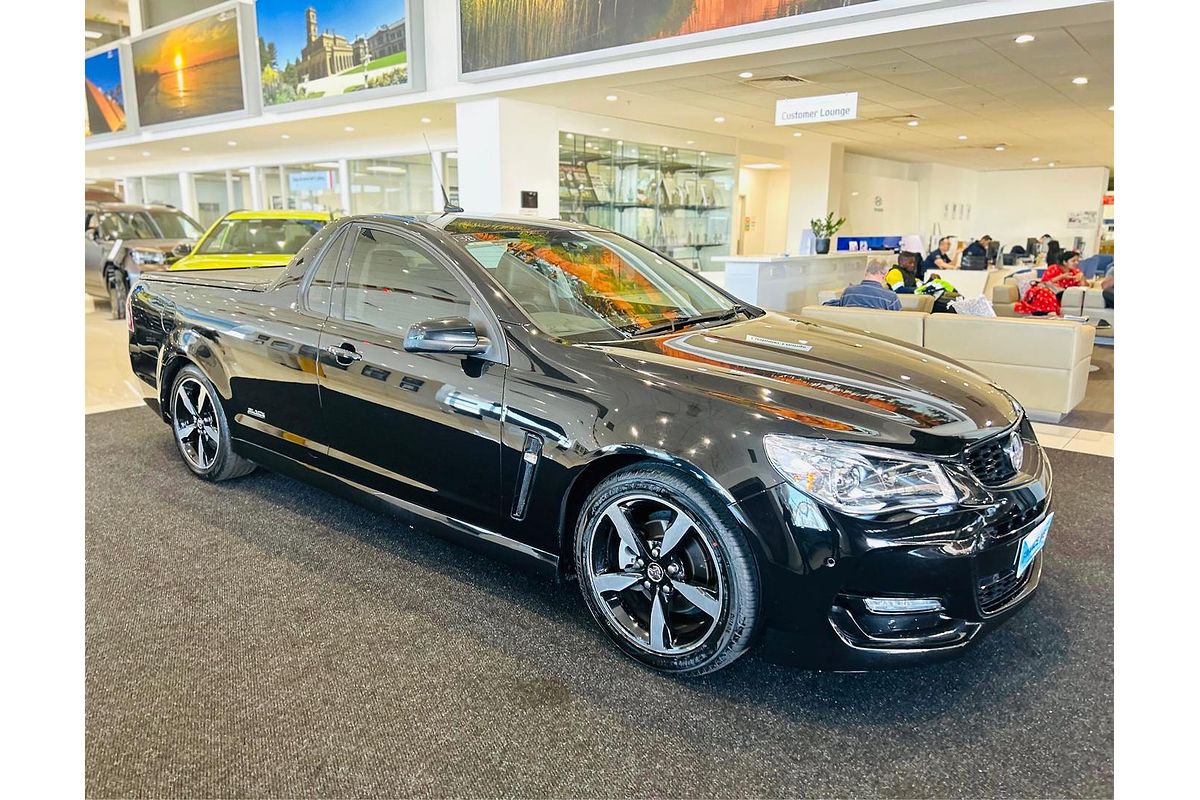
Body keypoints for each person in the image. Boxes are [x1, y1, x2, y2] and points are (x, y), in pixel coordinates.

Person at [824, 259, 901, 310]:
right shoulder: (890, 297)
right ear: (884, 275)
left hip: (852, 333)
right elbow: (899, 322)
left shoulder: (848, 292)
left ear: (866, 272)